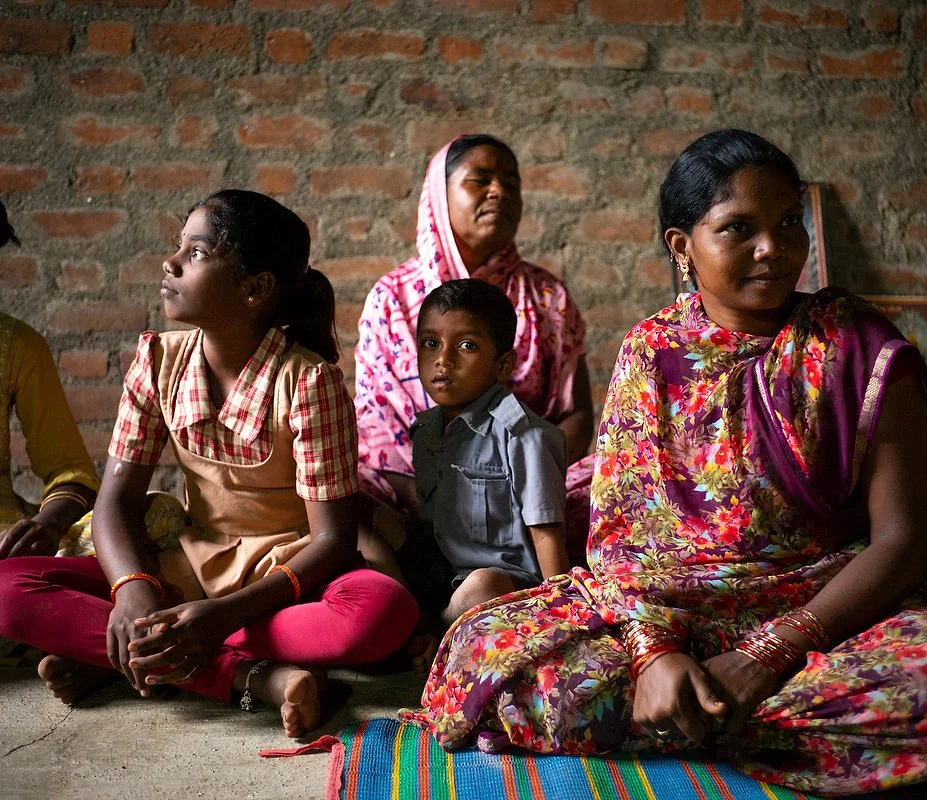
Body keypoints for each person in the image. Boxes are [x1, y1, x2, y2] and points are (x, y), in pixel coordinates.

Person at [402, 130, 927, 795]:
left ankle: (688, 719)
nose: (773, 248)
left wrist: (768, 654)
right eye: (739, 228)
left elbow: (905, 542)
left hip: (830, 612)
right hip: (675, 610)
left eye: (788, 224)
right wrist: (653, 653)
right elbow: (619, 545)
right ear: (682, 247)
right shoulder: (651, 352)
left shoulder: (861, 348)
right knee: (482, 648)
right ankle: (711, 710)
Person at [0, 190, 418, 738]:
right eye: (178, 247)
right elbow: (114, 504)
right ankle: (247, 675)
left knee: (380, 612)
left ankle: (133, 655)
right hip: (187, 569)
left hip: (285, 578)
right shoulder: (157, 361)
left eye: (195, 252)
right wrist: (132, 589)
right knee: (8, 588)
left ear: (254, 289)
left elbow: (333, 541)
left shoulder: (310, 382)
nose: (170, 263)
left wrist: (222, 616)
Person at [354, 134, 595, 569]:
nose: (499, 191)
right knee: (345, 494)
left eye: (511, 183)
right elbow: (377, 422)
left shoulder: (546, 296)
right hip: (412, 491)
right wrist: (442, 502)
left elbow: (574, 413)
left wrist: (528, 487)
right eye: (480, 179)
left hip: (529, 490)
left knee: (619, 478)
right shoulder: (394, 298)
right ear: (439, 195)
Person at [394, 278, 569, 627]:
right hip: (442, 569)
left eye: (467, 345)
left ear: (502, 364)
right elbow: (430, 522)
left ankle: (433, 630)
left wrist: (563, 612)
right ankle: (406, 614)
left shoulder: (522, 436)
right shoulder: (425, 430)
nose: (443, 360)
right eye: (431, 343)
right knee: (361, 512)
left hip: (505, 583)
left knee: (481, 585)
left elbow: (547, 534)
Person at [0, 201, 99, 562]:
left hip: (3, 546)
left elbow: (71, 472)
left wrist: (48, 525)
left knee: (156, 514)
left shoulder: (15, 346)